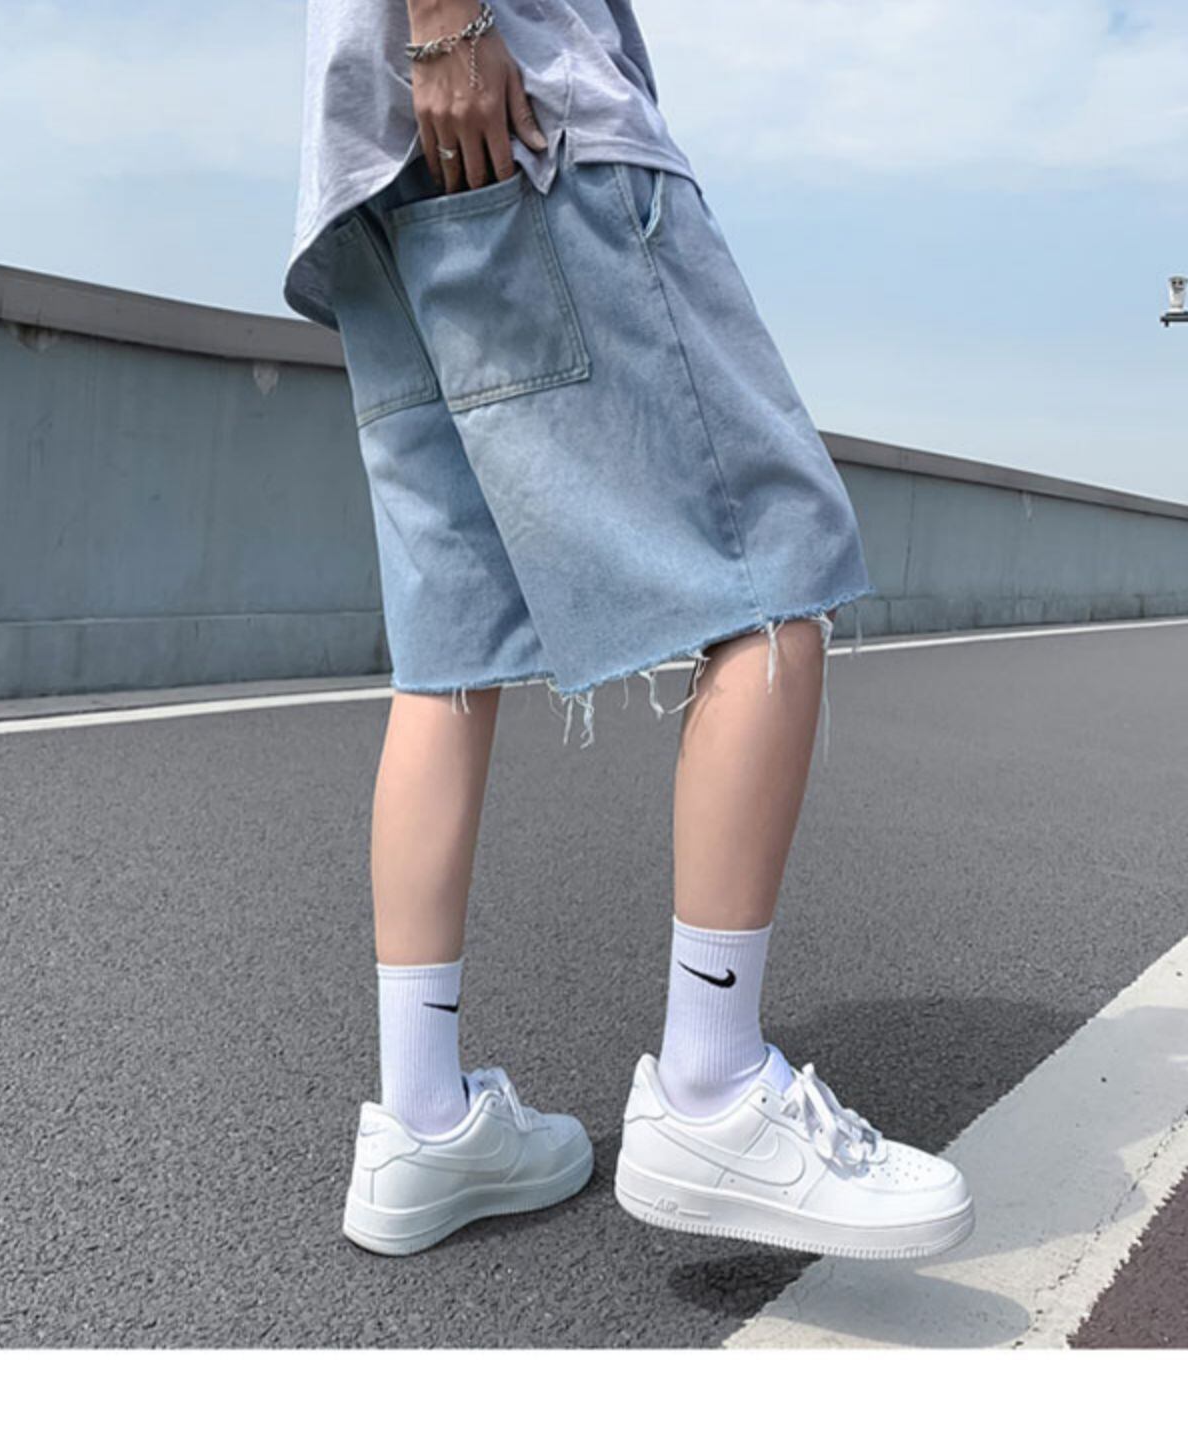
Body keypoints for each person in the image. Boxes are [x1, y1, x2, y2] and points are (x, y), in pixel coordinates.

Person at [283, 0, 974, 1259]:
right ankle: (713, 1092)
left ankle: (424, 1119)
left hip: (363, 163)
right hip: (515, 102)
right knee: (774, 551)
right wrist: (447, 26)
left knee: (450, 642)